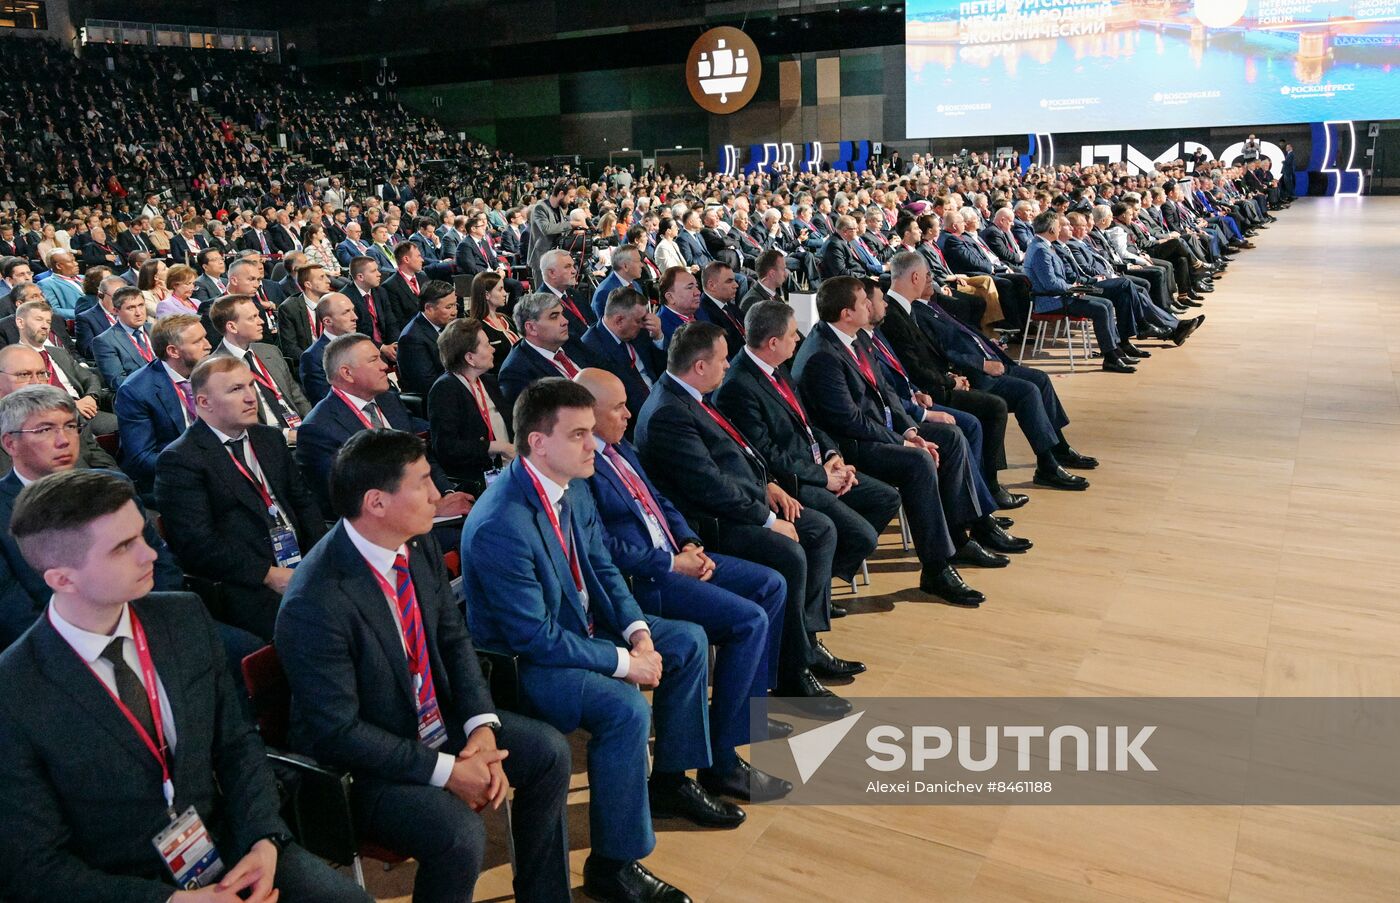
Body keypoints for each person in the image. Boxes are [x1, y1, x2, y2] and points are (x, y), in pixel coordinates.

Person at [0, 469, 371, 903]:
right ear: (62, 579)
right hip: (124, 883)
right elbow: (36, 868)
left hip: (227, 845)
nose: (149, 555)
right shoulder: (15, 689)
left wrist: (263, 839)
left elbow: (237, 742)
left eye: (141, 535)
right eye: (123, 548)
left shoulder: (183, 617)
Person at [276, 428, 573, 903]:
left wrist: (481, 729)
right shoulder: (316, 599)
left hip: (433, 722)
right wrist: (447, 770)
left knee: (548, 752)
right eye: (422, 482)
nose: (437, 494)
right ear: (376, 502)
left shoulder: (416, 543)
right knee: (458, 833)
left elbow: (454, 640)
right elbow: (339, 732)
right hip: (363, 766)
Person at [461, 378, 720, 903]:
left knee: (687, 641)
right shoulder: (500, 522)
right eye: (578, 434)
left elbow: (600, 567)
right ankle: (614, 865)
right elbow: (534, 638)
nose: (592, 444)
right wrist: (626, 664)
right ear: (538, 442)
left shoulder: (573, 484)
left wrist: (638, 632)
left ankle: (670, 779)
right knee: (625, 708)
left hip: (580, 631)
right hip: (526, 666)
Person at [578, 368, 794, 800]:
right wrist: (672, 562)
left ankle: (738, 716)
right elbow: (603, 549)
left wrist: (689, 542)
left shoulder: (623, 449)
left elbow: (660, 501)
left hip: (678, 553)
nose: (628, 414)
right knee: (748, 621)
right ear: (589, 413)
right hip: (647, 577)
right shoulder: (584, 465)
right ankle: (723, 759)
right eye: (618, 407)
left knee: (771, 584)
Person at [635, 321, 852, 719]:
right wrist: (768, 519)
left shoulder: (693, 396)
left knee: (818, 530)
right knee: (789, 552)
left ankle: (803, 641)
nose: (727, 366)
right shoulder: (668, 412)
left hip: (744, 500)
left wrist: (768, 485)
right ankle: (792, 673)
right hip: (711, 524)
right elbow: (709, 487)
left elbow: (739, 452)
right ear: (699, 366)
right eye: (720, 360)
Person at [791, 276, 994, 606]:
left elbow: (887, 394)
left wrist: (911, 432)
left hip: (880, 432)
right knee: (918, 462)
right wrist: (905, 443)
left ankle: (959, 536)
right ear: (846, 313)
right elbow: (850, 421)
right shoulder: (822, 355)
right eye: (863, 302)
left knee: (951, 437)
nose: (870, 305)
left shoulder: (854, 338)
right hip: (852, 446)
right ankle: (936, 568)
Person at [712, 301, 902, 601]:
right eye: (792, 334)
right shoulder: (739, 385)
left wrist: (832, 456)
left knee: (886, 498)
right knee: (859, 535)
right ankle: (813, 601)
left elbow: (807, 422)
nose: (798, 338)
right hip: (793, 481)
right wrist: (822, 477)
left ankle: (819, 587)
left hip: (818, 466)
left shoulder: (778, 366)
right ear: (773, 343)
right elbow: (767, 454)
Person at [155, 356, 327, 641]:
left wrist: (318, 556)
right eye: (236, 390)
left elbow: (303, 503)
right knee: (319, 626)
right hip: (245, 580)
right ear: (204, 402)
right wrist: (268, 574)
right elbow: (197, 545)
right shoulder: (181, 459)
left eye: (251, 386)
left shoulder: (269, 438)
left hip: (301, 561)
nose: (251, 398)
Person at [0, 386, 180, 647]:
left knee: (244, 649)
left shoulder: (113, 485)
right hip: (65, 649)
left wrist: (152, 623)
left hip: (152, 624)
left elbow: (161, 563)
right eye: (45, 430)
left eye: (71, 426)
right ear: (10, 443)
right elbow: (13, 612)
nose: (64, 440)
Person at [296, 333, 473, 521]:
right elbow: (351, 500)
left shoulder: (389, 400)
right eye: (373, 360)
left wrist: (447, 493)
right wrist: (431, 508)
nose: (384, 366)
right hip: (382, 527)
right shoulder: (318, 429)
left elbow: (421, 455)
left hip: (427, 506)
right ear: (347, 373)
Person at [1023, 210, 1136, 373]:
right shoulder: (1041, 249)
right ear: (1051, 230)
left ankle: (1115, 351)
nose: (1060, 228)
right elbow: (1051, 284)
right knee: (1100, 309)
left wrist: (1073, 287)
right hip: (1051, 300)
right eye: (1057, 225)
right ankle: (1110, 357)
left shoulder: (1042, 246)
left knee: (1107, 303)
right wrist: (1073, 288)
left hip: (1061, 295)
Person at [113, 313, 211, 494]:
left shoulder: (211, 373)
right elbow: (142, 458)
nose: (208, 345)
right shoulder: (136, 391)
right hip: (171, 480)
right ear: (173, 351)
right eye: (198, 341)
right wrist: (198, 465)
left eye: (205, 337)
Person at [428, 318, 515, 497]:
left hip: (508, 469)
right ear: (470, 358)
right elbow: (447, 448)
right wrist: (495, 446)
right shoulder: (445, 389)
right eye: (487, 345)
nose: (493, 349)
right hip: (476, 480)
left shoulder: (488, 381)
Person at [208, 294, 312, 438]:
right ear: (232, 326)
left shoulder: (270, 351)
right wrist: (286, 435)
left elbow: (297, 396)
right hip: (265, 440)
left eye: (258, 315)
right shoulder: (216, 369)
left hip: (300, 431)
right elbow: (235, 421)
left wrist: (311, 425)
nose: (261, 321)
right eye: (252, 318)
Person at [581, 286, 666, 429]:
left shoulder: (640, 331)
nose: (643, 324)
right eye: (639, 320)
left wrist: (658, 337)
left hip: (663, 400)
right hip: (638, 421)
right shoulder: (592, 347)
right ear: (619, 320)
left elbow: (663, 369)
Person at [498, 292, 586, 411]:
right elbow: (541, 420)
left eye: (562, 314)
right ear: (531, 328)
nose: (565, 321)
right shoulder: (516, 372)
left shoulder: (571, 342)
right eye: (554, 316)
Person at [397, 279, 458, 397]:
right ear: (429, 308)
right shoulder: (411, 339)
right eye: (449, 307)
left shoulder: (447, 324)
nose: (454, 312)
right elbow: (427, 384)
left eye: (455, 305)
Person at [91, 286, 157, 389]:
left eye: (141, 305)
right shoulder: (104, 341)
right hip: (140, 395)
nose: (138, 313)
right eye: (130, 308)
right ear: (116, 311)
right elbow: (117, 381)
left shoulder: (156, 330)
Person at [299, 292, 359, 404]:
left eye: (353, 310)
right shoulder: (313, 357)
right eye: (346, 312)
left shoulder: (363, 344)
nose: (355, 317)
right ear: (327, 321)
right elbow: (326, 402)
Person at [469, 270, 519, 373]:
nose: (505, 293)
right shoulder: (478, 328)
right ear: (487, 295)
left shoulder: (505, 319)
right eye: (500, 289)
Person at [526, 181, 575, 286]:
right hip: (541, 259)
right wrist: (570, 224)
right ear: (561, 194)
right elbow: (546, 228)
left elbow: (561, 230)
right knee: (542, 297)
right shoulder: (540, 207)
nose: (572, 200)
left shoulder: (559, 209)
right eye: (570, 196)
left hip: (556, 259)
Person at [74, 273, 124, 359]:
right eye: (116, 297)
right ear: (101, 295)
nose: (120, 302)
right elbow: (88, 350)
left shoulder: (130, 312)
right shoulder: (85, 319)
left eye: (124, 297)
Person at [591, 246, 647, 321]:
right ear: (625, 266)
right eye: (638, 261)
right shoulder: (605, 292)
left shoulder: (635, 285)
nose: (642, 265)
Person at [37, 250, 84, 319]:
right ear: (59, 266)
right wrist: (85, 314)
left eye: (75, 260)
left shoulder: (84, 277)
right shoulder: (46, 284)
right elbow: (54, 310)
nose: (76, 264)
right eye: (71, 261)